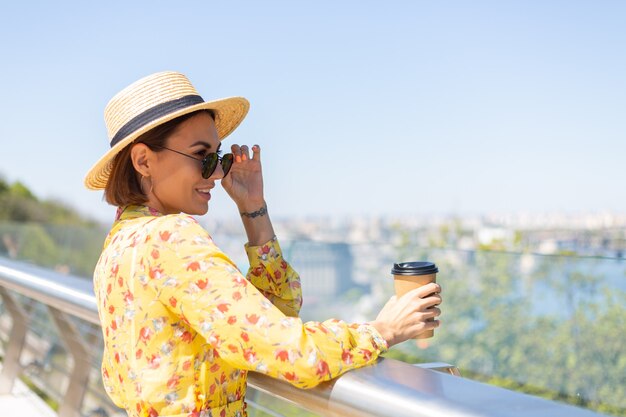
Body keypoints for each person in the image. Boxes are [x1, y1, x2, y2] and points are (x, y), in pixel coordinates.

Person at [85, 71, 442, 417]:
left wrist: (253, 208)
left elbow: (275, 313)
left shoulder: (118, 245)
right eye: (202, 156)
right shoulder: (170, 237)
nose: (218, 173)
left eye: (219, 157)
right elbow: (286, 349)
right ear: (143, 160)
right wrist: (382, 332)